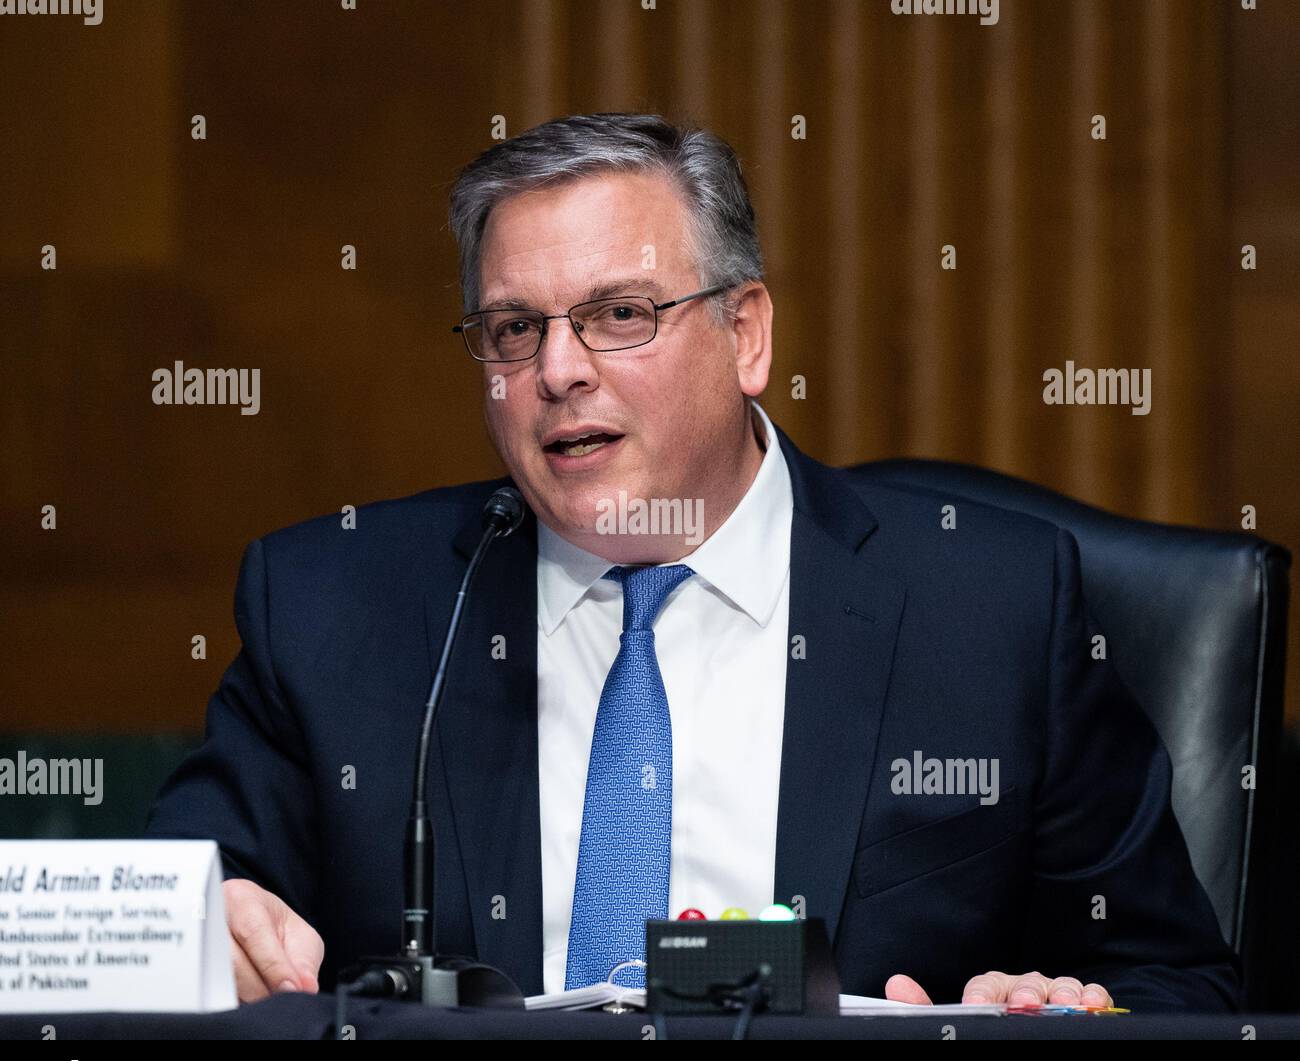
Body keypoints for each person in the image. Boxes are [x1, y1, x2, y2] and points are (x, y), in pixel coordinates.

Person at [146, 112, 1238, 1010]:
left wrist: (1061, 1019)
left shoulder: (991, 611)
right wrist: (207, 929)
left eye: (619, 313)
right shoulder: (337, 606)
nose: (558, 370)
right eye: (513, 331)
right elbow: (162, 912)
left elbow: (1183, 990)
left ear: (745, 333)